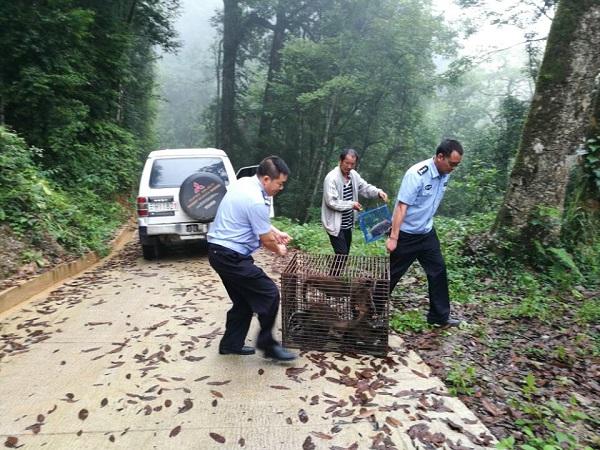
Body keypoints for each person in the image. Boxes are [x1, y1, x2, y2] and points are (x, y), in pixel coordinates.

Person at [207, 156, 297, 361]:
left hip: (218, 252)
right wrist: (279, 249)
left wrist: (276, 231)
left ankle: (230, 344)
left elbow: (258, 222)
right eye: (279, 184)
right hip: (231, 257)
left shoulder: (245, 183)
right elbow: (266, 240)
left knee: (243, 301)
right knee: (270, 294)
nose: (280, 188)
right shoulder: (256, 200)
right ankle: (268, 345)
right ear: (266, 179)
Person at [386, 139, 464, 327]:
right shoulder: (416, 174)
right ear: (440, 157)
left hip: (427, 233)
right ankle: (369, 310)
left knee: (438, 271)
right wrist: (393, 237)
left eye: (457, 165)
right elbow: (402, 206)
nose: (453, 168)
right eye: (452, 164)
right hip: (406, 235)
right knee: (391, 276)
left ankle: (439, 317)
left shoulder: (445, 173)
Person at [321, 149, 388, 256]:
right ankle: (333, 273)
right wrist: (352, 204)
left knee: (345, 253)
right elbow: (331, 202)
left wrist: (378, 192)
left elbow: (365, 187)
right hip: (335, 224)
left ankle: (334, 272)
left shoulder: (353, 175)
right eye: (346, 163)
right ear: (340, 161)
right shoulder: (331, 178)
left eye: (352, 164)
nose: (349, 166)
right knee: (341, 254)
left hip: (348, 223)